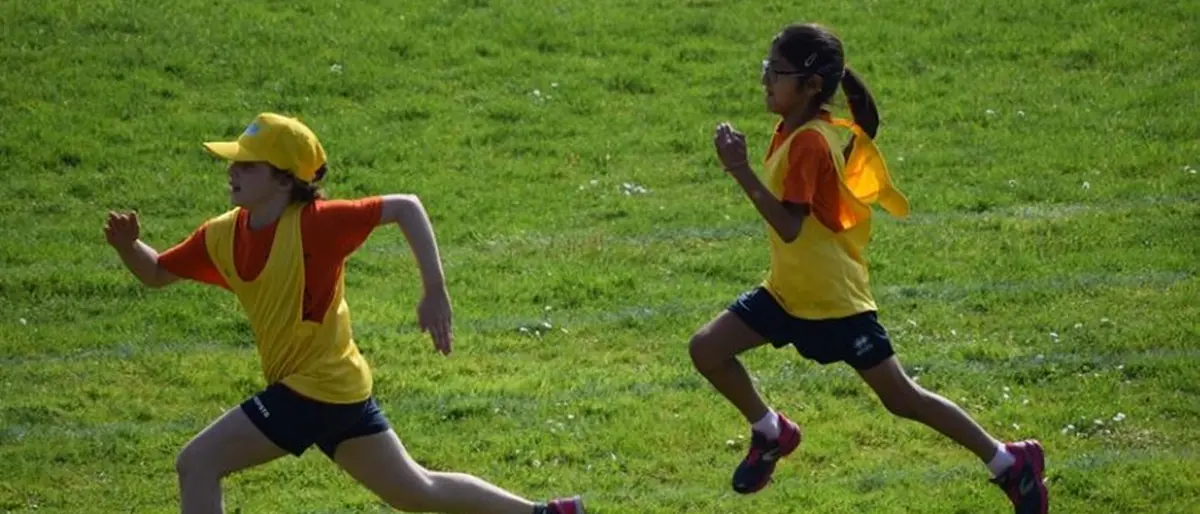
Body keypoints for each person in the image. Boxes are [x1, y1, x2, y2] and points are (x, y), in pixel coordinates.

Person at [103, 112, 585, 514]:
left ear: (284, 179)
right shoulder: (221, 235)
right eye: (235, 162)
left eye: (248, 166)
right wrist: (128, 247)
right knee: (416, 492)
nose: (232, 171)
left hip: (315, 387)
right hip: (338, 388)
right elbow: (157, 273)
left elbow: (407, 206)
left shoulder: (318, 226)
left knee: (198, 463)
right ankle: (547, 513)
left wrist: (435, 291)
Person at [691, 23, 1048, 513]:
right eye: (766, 69)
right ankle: (772, 432)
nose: (766, 80)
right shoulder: (792, 130)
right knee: (707, 349)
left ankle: (1010, 462)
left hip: (837, 303)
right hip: (788, 293)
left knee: (903, 400)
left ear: (811, 85)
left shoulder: (811, 142)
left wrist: (739, 169)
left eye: (777, 71)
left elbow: (790, 226)